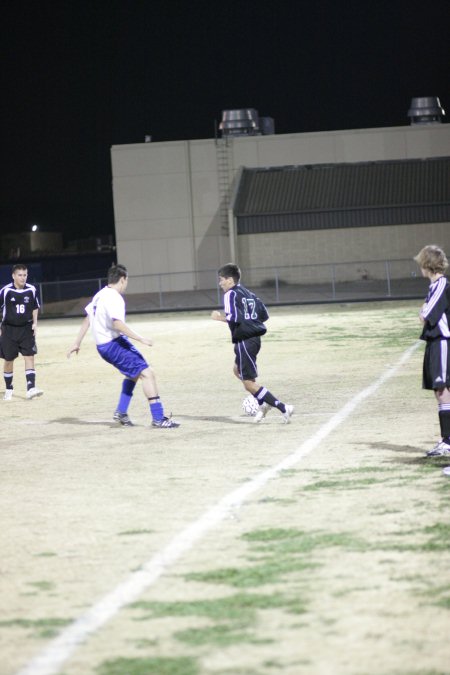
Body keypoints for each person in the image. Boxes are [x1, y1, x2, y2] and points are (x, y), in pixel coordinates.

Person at [67, 263, 179, 428]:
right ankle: (158, 418)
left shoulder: (100, 294)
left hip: (108, 344)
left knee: (134, 373)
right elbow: (118, 324)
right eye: (127, 280)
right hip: (112, 344)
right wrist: (141, 339)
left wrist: (77, 342)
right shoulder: (114, 297)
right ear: (122, 279)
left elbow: (88, 318)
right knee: (148, 374)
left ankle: (121, 412)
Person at [211, 262, 294, 423]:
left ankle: (283, 407)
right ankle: (263, 403)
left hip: (245, 341)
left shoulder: (230, 294)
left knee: (249, 384)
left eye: (221, 279)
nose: (220, 283)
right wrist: (250, 321)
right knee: (237, 370)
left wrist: (218, 317)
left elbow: (233, 318)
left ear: (229, 280)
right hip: (253, 339)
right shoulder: (248, 293)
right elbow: (264, 314)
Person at [414, 245, 450, 475]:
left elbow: (426, 315)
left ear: (428, 265)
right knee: (441, 390)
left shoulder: (441, 284)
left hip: (443, 341)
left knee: (442, 388)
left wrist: (423, 312)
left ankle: (447, 440)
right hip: (436, 342)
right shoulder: (435, 286)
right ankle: (446, 439)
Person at [0, 263, 44, 401]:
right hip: (9, 329)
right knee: (9, 360)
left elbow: (35, 307)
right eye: (20, 275)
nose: (23, 278)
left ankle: (31, 388)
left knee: (29, 356)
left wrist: (35, 323)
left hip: (26, 328)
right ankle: (9, 388)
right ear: (13, 276)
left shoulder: (32, 290)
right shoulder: (5, 291)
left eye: (25, 275)